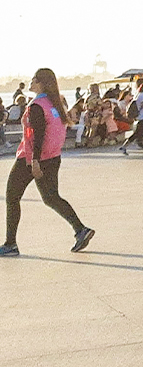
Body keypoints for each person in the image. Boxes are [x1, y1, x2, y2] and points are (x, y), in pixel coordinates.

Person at [2, 69, 94, 257]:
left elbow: (38, 135)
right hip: (52, 158)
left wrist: (34, 161)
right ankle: (80, 229)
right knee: (51, 197)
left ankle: (10, 244)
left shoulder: (36, 105)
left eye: (34, 79)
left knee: (12, 196)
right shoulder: (54, 102)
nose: (30, 81)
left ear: (41, 83)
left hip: (31, 159)